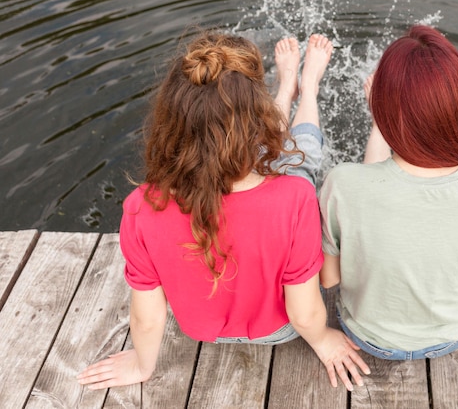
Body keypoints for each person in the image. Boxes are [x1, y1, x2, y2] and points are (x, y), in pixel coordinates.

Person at [77, 30, 369, 391]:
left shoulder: (142, 206)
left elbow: (149, 318)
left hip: (199, 331)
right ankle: (305, 88)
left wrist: (141, 365)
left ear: (171, 124)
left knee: (276, 156)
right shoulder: (295, 198)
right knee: (301, 159)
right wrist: (324, 340)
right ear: (258, 122)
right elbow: (304, 313)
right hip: (277, 331)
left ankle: (285, 88)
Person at [319, 24, 458, 360]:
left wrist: (383, 118)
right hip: (455, 333)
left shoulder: (342, 183)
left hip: (367, 335)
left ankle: (382, 126)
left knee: (370, 183)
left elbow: (329, 278)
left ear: (384, 108)